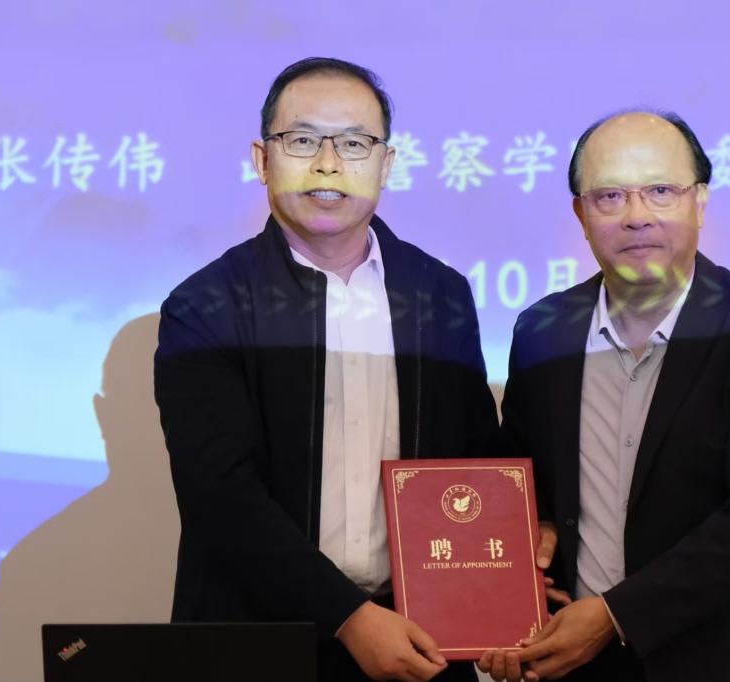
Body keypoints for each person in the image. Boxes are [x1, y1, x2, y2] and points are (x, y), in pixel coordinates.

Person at [154, 57, 498, 682]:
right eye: (303, 140)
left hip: (420, 641)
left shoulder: (440, 293)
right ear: (262, 159)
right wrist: (350, 617)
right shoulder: (206, 304)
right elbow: (221, 494)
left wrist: (500, 588)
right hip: (260, 642)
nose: (328, 163)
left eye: (355, 143)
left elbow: (473, 461)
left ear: (386, 164)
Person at [480, 111, 730, 681]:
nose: (636, 216)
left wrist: (616, 615)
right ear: (581, 214)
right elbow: (522, 480)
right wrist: (523, 548)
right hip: (576, 669)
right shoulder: (543, 332)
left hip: (725, 665)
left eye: (661, 191)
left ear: (700, 202)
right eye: (610, 196)